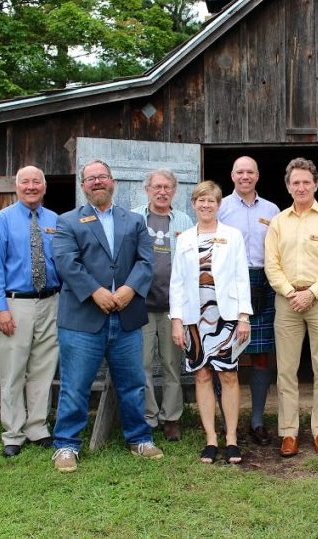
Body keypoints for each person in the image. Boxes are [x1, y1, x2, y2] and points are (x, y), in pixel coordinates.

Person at [51, 159, 162, 472]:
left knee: (133, 383)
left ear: (113, 182)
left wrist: (130, 289)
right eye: (91, 178)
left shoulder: (134, 221)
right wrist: (95, 291)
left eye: (102, 177)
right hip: (83, 319)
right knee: (75, 385)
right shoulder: (68, 221)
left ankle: (139, 438)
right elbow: (66, 263)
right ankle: (66, 446)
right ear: (83, 186)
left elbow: (145, 261)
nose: (97, 182)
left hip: (126, 316)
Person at [264, 158, 318, 457]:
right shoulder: (278, 221)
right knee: (286, 370)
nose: (301, 187)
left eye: (306, 182)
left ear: (316, 184)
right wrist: (289, 291)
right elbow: (271, 264)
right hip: (286, 301)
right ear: (288, 186)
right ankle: (289, 432)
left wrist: (311, 293)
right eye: (295, 182)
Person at [170, 181, 252, 464]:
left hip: (226, 316)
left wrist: (243, 317)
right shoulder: (184, 239)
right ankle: (210, 439)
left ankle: (231, 438)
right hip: (194, 318)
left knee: (228, 375)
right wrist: (177, 321)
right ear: (193, 204)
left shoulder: (232, 236)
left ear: (219, 205)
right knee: (202, 375)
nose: (206, 205)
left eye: (211, 201)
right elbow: (177, 282)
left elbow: (243, 277)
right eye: (200, 200)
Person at [0, 165, 61, 457]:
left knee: (43, 367)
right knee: (14, 369)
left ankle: (37, 427)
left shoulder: (55, 220)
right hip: (15, 304)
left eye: (36, 182)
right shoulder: (2, 221)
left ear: (44, 187)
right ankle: (13, 433)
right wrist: (0, 309)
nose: (31, 187)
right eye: (25, 182)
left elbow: (62, 263)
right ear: (16, 187)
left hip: (50, 301)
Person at [218, 156, 280, 446]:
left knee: (261, 353)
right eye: (240, 171)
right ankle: (227, 421)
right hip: (229, 283)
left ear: (257, 176)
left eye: (250, 172)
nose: (245, 176)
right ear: (232, 175)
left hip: (264, 280)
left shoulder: (272, 209)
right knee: (225, 353)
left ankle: (257, 420)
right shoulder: (221, 207)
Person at [132, 169, 193, 442]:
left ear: (174, 190)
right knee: (142, 364)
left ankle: (171, 418)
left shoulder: (183, 220)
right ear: (147, 189)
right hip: (142, 304)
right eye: (157, 186)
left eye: (168, 187)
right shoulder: (134, 217)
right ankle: (148, 417)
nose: (162, 191)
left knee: (171, 364)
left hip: (173, 306)